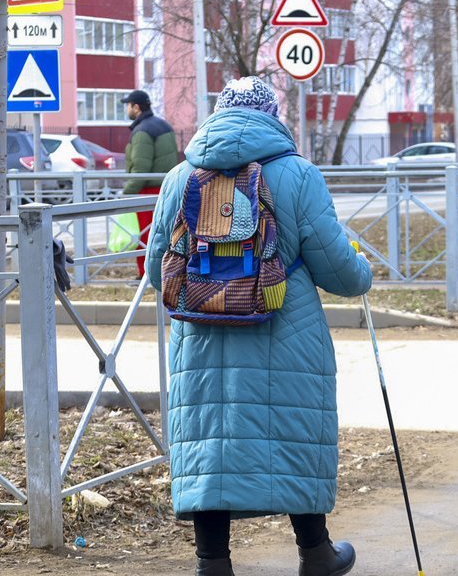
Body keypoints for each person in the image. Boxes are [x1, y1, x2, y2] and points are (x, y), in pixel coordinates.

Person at [146, 77, 372, 576]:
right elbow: (338, 269)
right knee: (294, 431)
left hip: (198, 329)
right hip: (284, 325)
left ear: (218, 114)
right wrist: (364, 272)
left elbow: (155, 268)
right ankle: (316, 553)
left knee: (209, 442)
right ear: (272, 115)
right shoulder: (296, 173)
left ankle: (213, 564)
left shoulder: (180, 176)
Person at [121, 89, 180, 279]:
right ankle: (166, 270)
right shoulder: (164, 125)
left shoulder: (142, 131)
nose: (126, 109)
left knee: (146, 234)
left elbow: (140, 168)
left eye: (128, 105)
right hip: (166, 187)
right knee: (164, 231)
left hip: (147, 190)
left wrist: (125, 193)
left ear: (136, 107)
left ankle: (145, 273)